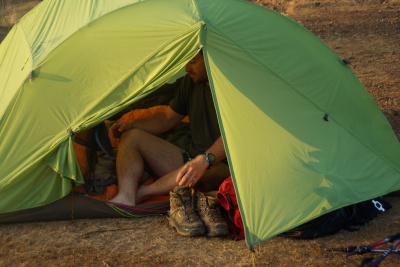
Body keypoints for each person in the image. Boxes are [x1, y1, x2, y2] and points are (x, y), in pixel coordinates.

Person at [109, 50, 230, 207]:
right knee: (131, 137)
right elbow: (167, 118)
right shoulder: (190, 83)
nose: (187, 68)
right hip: (191, 159)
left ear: (210, 58)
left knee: (208, 172)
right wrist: (131, 124)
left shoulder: (232, 89)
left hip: (221, 166)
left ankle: (143, 193)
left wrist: (205, 160)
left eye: (193, 62)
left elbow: (236, 136)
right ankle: (125, 196)